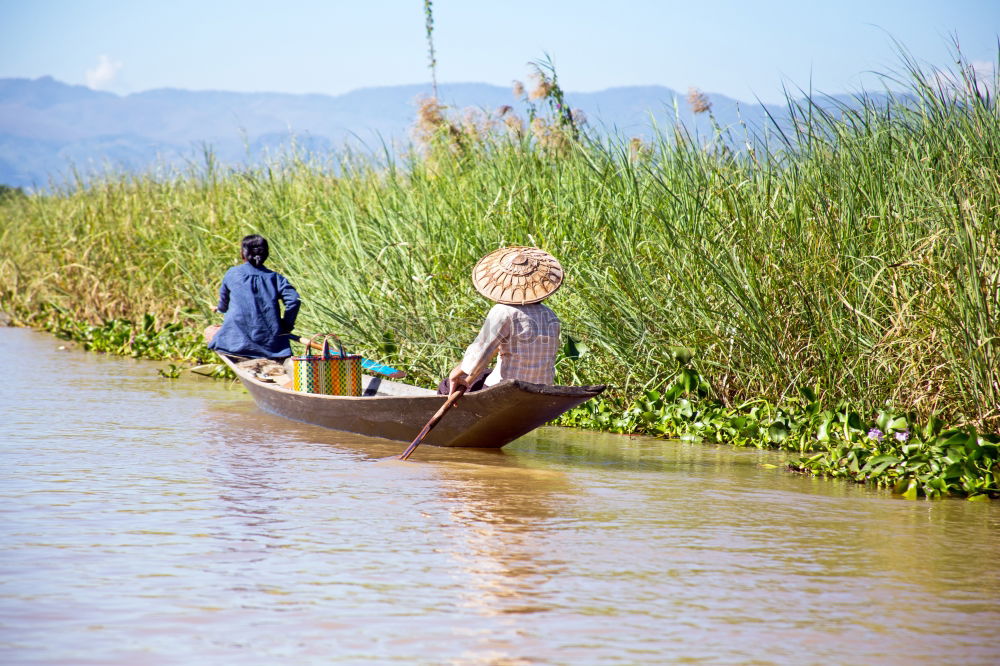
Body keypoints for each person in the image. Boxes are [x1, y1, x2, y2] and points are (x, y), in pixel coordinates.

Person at [443, 246, 563, 396]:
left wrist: (456, 373)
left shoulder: (503, 311)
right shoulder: (550, 315)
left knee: (446, 386)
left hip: (508, 390)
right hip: (542, 389)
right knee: (484, 374)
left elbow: (481, 350)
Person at [204, 234, 301, 359]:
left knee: (210, 331)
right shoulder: (275, 278)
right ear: (266, 254)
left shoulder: (232, 273)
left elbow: (223, 304)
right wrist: (286, 326)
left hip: (234, 343)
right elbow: (294, 300)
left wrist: (220, 309)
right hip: (271, 346)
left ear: (242, 254)